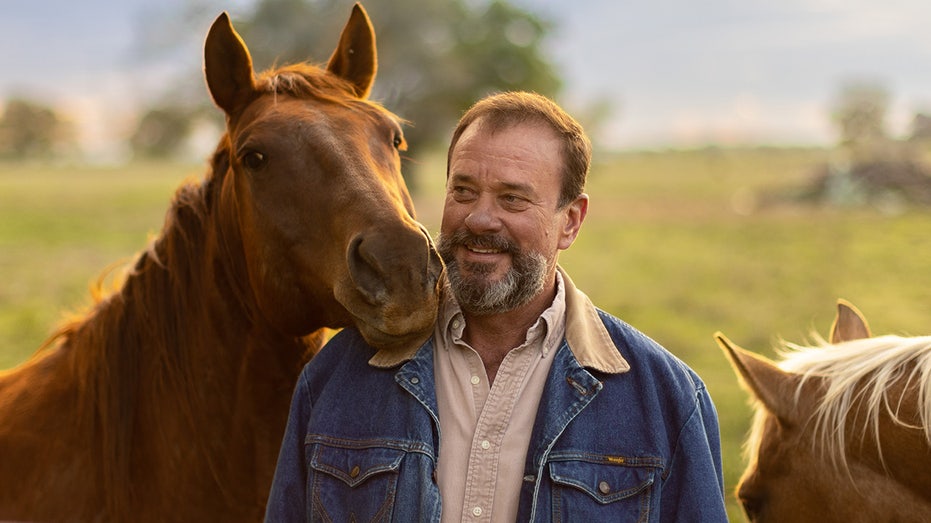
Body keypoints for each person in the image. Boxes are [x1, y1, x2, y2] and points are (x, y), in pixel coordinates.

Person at [264, 91, 728, 522]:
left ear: (571, 221)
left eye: (512, 198)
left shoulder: (669, 400)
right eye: (463, 191)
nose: (480, 218)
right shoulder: (333, 380)